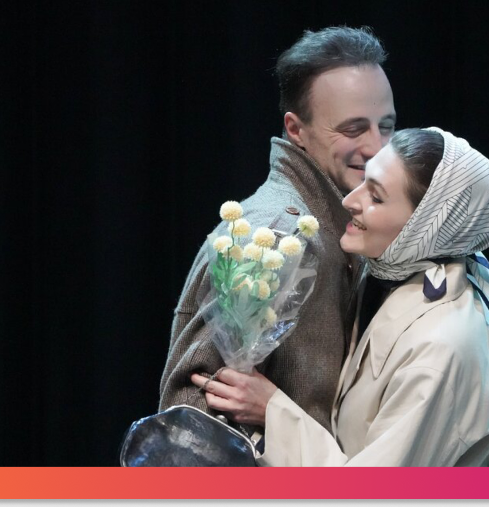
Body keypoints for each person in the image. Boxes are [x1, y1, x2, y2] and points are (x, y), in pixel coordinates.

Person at [191, 127, 489, 466]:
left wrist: (272, 411)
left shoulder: (441, 348)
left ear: (425, 226)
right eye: (364, 180)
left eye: (376, 197)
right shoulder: (391, 276)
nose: (349, 200)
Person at [158, 26, 397, 434]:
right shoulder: (279, 236)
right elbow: (191, 416)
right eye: (353, 129)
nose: (377, 147)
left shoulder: (337, 223)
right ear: (296, 130)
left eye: (386, 126)